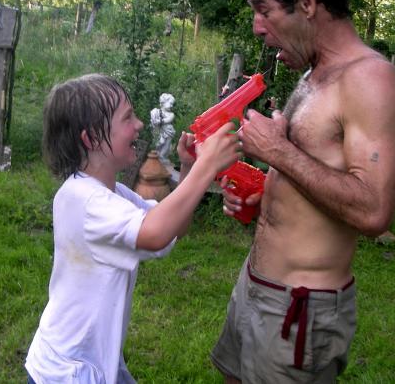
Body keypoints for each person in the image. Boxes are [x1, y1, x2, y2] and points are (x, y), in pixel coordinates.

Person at [211, 0, 395, 383]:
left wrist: (277, 151)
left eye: (263, 9)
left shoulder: (370, 79)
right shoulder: (314, 73)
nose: (258, 26)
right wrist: (263, 193)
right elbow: (311, 172)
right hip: (257, 286)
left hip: (298, 309)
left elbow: (374, 209)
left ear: (306, 2)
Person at [26, 73, 240, 384]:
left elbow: (173, 229)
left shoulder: (112, 194)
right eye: (127, 117)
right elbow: (154, 234)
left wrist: (190, 167)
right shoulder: (83, 201)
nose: (139, 124)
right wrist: (208, 168)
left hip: (95, 363)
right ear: (91, 139)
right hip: (67, 372)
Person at [149, 92, 176, 164]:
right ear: (164, 102)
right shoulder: (157, 111)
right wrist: (155, 121)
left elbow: (168, 120)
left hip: (168, 131)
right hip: (160, 130)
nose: (171, 105)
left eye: (172, 104)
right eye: (170, 103)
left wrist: (160, 121)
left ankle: (162, 156)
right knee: (160, 142)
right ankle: (157, 155)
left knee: (167, 144)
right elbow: (154, 121)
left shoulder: (171, 114)